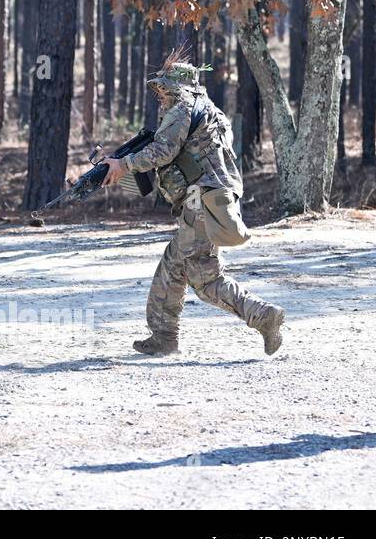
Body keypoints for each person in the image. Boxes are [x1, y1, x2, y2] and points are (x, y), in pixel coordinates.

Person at [104, 52, 284, 356]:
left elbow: (162, 151)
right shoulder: (209, 110)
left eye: (163, 90)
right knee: (174, 264)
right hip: (209, 198)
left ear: (176, 88)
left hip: (201, 200)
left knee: (204, 278)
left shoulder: (182, 110)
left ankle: (263, 316)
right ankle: (163, 336)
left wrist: (125, 164)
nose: (159, 96)